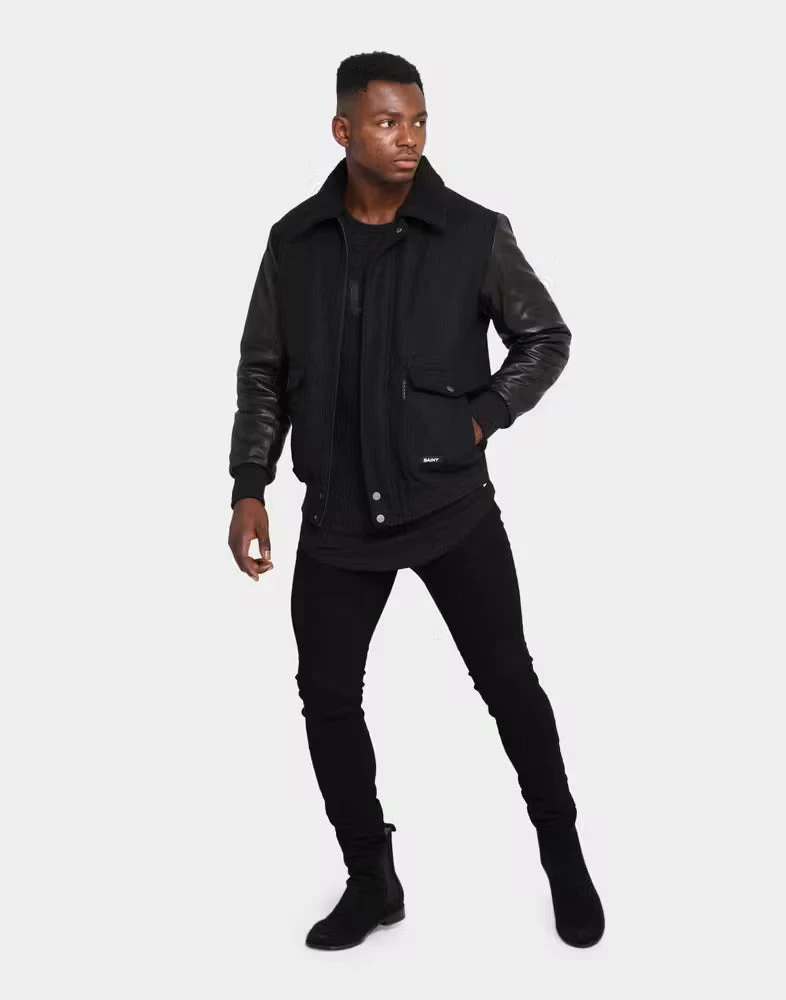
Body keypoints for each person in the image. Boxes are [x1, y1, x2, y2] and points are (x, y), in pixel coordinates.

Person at [227, 50, 604, 950]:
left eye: (420, 121)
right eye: (389, 122)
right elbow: (264, 370)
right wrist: (249, 485)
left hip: (449, 508)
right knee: (327, 698)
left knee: (509, 682)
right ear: (343, 129)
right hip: (337, 519)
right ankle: (372, 879)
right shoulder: (294, 241)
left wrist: (480, 418)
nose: (409, 139)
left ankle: (564, 855)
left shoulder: (472, 233)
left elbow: (544, 337)